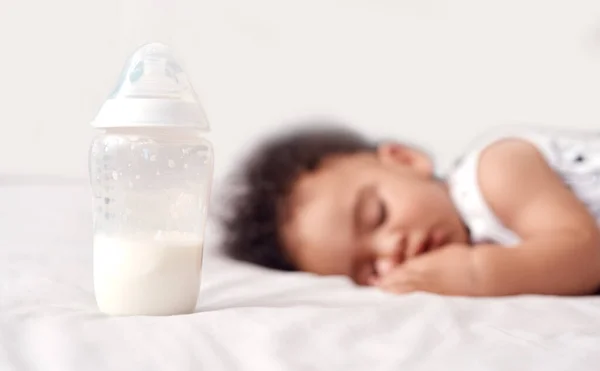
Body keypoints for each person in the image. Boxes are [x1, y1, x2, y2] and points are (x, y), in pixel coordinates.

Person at [220, 123, 600, 296]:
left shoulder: (495, 171)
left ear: (404, 159)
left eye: (378, 215)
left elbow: (586, 254)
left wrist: (474, 276)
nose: (391, 250)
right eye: (369, 270)